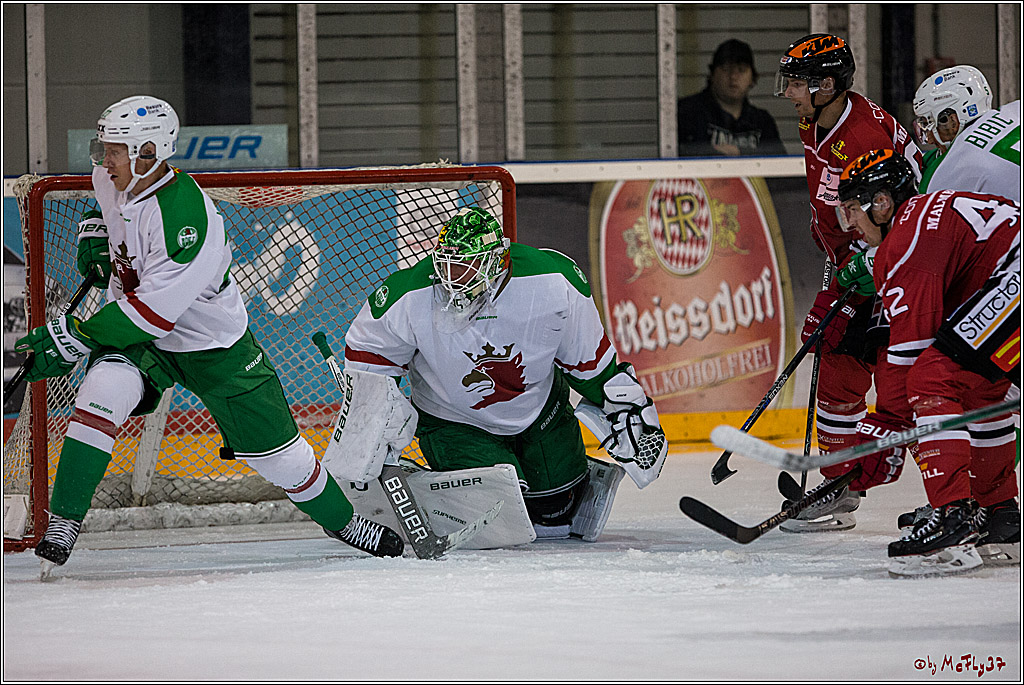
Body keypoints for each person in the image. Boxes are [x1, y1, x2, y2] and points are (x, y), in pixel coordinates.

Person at [16, 96, 404, 571]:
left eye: (113, 150)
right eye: (103, 147)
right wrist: (96, 237)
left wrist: (72, 336)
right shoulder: (110, 177)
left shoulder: (187, 219)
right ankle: (65, 522)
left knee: (283, 462)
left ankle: (345, 522)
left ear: (148, 152)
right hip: (145, 345)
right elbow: (106, 212)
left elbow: (152, 314)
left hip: (212, 346)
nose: (101, 159)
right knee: (99, 392)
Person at [334, 206, 668, 541]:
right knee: (501, 516)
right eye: (448, 265)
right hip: (454, 421)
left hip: (539, 411)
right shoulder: (408, 294)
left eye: (467, 266)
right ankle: (437, 482)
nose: (454, 278)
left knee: (557, 512)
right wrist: (373, 428)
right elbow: (371, 365)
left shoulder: (553, 281)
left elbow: (590, 365)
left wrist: (627, 410)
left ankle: (564, 476)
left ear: (498, 261)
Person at [834, 148, 1019, 576]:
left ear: (881, 203)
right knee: (978, 385)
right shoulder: (924, 217)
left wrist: (887, 427)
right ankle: (1000, 517)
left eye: (852, 211)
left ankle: (952, 519)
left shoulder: (906, 238)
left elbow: (912, 354)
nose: (852, 227)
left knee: (933, 379)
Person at [773, 33, 924, 532]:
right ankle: (838, 485)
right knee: (837, 366)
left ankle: (959, 498)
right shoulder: (815, 119)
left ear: (827, 84)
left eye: (796, 83)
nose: (789, 93)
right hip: (857, 259)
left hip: (895, 264)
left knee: (911, 386)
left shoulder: (861, 138)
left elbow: (898, 214)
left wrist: (861, 267)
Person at [913, 64, 1021, 199]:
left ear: (951, 119)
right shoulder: (1016, 109)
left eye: (929, 123)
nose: (929, 139)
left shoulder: (948, 170)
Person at [677, 39, 786, 157]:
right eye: (726, 69)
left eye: (741, 70)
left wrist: (742, 153)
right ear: (712, 74)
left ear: (752, 78)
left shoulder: (762, 121)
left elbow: (780, 164)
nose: (733, 76)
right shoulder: (688, 113)